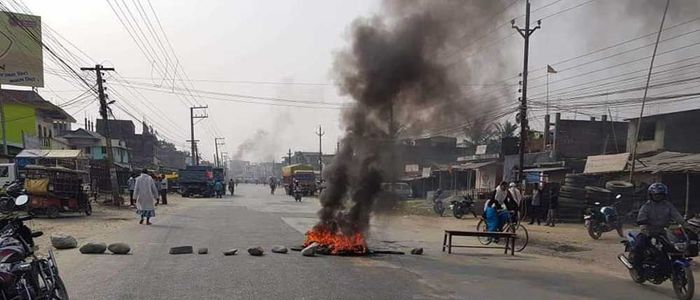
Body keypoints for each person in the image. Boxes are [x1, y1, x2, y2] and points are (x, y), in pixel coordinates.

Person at [630, 183, 689, 268]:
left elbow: (677, 216)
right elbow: (641, 218)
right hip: (648, 231)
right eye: (656, 195)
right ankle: (637, 267)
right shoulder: (647, 206)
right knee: (640, 245)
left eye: (660, 195)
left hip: (663, 231)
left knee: (672, 245)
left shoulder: (668, 205)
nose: (658, 197)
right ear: (651, 195)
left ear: (664, 195)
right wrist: (644, 226)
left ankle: (667, 266)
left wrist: (685, 225)